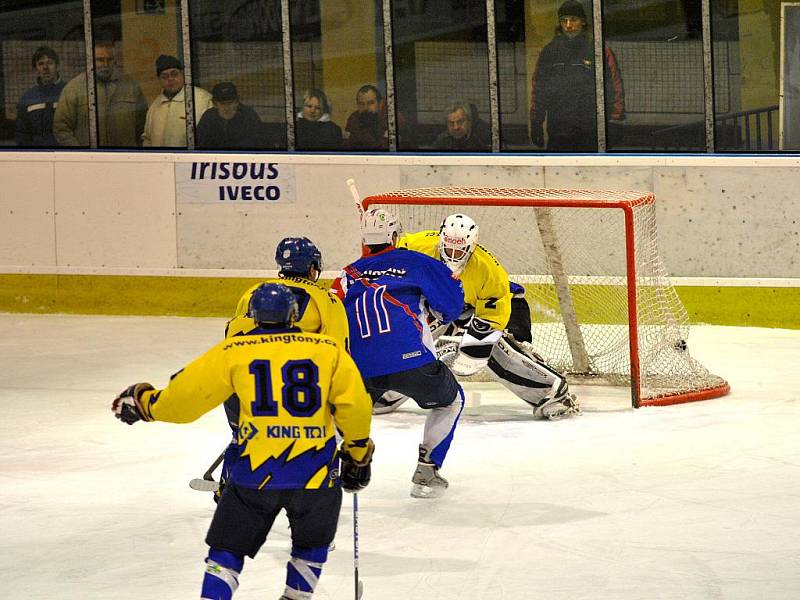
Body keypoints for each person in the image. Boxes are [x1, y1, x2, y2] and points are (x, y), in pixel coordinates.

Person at [111, 282, 373, 600]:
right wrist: (358, 453)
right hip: (315, 472)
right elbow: (355, 405)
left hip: (255, 472)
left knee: (227, 548)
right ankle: (296, 597)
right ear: (293, 314)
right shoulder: (327, 349)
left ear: (254, 315)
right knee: (311, 544)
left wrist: (146, 404)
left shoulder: (235, 350)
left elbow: (187, 399)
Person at [332, 207, 465, 498]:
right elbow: (453, 305)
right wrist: (435, 310)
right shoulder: (415, 263)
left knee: (337, 418)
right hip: (412, 362)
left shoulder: (347, 274)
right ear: (394, 234)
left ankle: (324, 473)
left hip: (361, 368)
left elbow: (332, 318)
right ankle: (427, 470)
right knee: (451, 401)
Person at [396, 214, 580, 420]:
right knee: (408, 343)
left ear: (471, 246)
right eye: (449, 248)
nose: (453, 256)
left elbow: (491, 319)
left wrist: (473, 350)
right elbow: (392, 253)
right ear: (441, 240)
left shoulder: (488, 270)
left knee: (494, 350)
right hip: (440, 307)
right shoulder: (417, 247)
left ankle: (551, 391)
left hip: (499, 307)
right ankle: (386, 394)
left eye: (460, 251)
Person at [217, 237, 349, 499]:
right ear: (312, 268)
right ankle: (314, 503)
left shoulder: (254, 292)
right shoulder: (327, 301)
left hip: (241, 388)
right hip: (295, 391)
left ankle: (230, 492)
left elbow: (231, 339)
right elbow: (339, 356)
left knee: (245, 436)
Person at [529, 0, 625, 152]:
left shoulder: (598, 50)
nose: (568, 25)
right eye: (563, 20)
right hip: (559, 128)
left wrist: (614, 120)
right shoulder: (550, 52)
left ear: (583, 21)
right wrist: (536, 122)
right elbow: (539, 89)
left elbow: (613, 84)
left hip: (591, 127)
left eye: (573, 19)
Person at [53, 40, 147, 147]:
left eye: (109, 59)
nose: (105, 64)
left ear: (115, 61)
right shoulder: (74, 88)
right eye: (100, 60)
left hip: (125, 158)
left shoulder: (131, 86)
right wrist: (82, 154)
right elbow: (61, 128)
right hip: (89, 161)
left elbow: (143, 126)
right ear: (90, 61)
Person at [142, 54, 213, 147]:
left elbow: (213, 137)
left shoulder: (202, 99)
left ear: (182, 74)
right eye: (165, 76)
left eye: (174, 74)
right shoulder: (155, 106)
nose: (170, 79)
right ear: (159, 79)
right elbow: (147, 139)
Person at [15, 46, 65, 147]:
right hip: (37, 155)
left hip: (65, 153)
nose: (45, 67)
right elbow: (22, 133)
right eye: (41, 64)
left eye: (50, 63)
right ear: (36, 69)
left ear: (57, 66)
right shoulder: (27, 98)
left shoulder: (69, 91)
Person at [196, 81, 265, 149]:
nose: (227, 108)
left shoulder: (249, 116)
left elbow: (260, 145)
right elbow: (200, 145)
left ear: (237, 102)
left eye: (230, 103)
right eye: (222, 104)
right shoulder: (208, 118)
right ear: (215, 104)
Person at [342, 84, 388, 150]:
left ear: (380, 103)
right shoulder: (354, 118)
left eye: (370, 103)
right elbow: (347, 146)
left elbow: (384, 148)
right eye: (361, 104)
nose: (365, 108)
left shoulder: (390, 119)